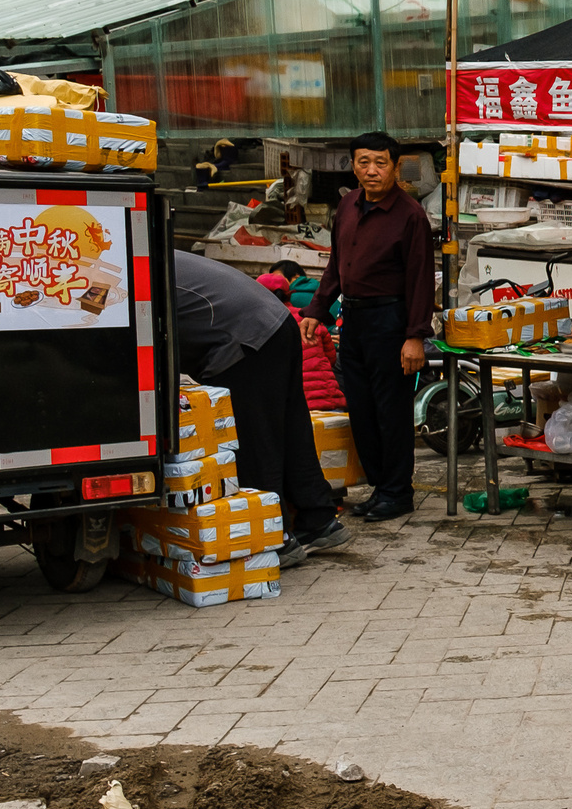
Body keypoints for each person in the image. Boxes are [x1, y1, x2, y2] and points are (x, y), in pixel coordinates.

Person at [170, 251, 350, 566]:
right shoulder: (154, 254)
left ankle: (274, 537)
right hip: (277, 323)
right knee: (292, 429)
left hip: (244, 338)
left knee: (255, 440)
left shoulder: (134, 267)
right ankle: (318, 518)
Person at [313, 130, 435, 522]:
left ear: (396, 168)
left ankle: (398, 492)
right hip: (354, 320)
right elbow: (337, 265)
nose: (371, 171)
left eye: (380, 163)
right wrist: (317, 309)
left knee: (391, 411)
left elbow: (420, 278)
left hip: (391, 320)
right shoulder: (348, 205)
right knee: (361, 410)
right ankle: (381, 487)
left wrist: (414, 336)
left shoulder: (410, 215)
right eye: (363, 162)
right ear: (353, 165)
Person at [259, 271, 345, 410]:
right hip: (328, 396)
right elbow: (331, 358)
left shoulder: (260, 322)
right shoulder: (308, 318)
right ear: (289, 293)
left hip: (294, 402)